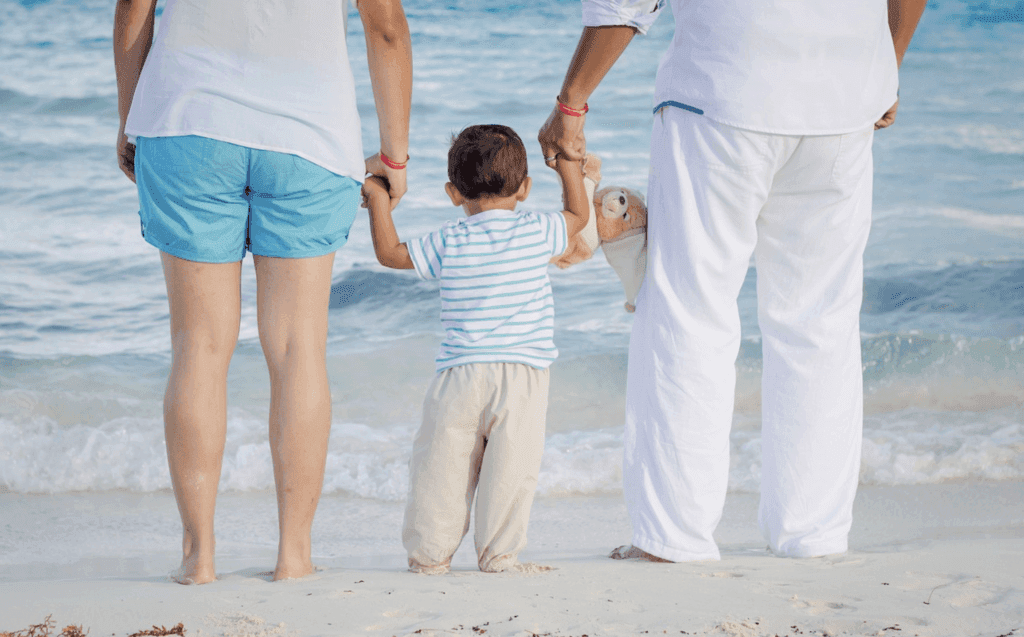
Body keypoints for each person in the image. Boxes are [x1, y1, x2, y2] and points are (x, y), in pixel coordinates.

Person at [538, 0, 927, 562]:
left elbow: (624, 4)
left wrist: (571, 103)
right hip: (844, 98)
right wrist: (885, 66)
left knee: (690, 313)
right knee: (820, 322)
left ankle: (674, 536)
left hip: (723, 90)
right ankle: (812, 533)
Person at [113, 0, 412, 583]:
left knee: (198, 347)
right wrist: (394, 153)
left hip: (186, 124)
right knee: (299, 348)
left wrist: (133, 118)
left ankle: (199, 557)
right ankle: (293, 555)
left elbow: (132, 11)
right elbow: (387, 28)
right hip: (310, 137)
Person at [361, 125, 590, 573]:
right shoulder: (539, 231)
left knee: (441, 467)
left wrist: (377, 197)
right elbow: (578, 216)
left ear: (452, 193)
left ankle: (429, 556)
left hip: (459, 374)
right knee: (512, 468)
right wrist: (567, 166)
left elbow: (389, 253)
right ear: (524, 189)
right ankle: (499, 555)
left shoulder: (448, 240)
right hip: (523, 373)